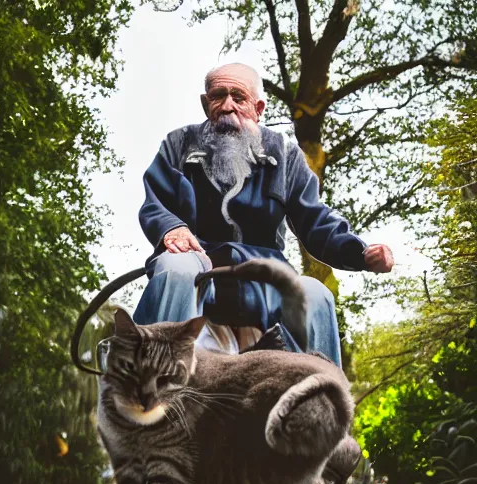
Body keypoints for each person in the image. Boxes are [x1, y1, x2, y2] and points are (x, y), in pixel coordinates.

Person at [133, 63, 394, 367]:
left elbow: (316, 220)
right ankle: (148, 377)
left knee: (316, 295)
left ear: (258, 108)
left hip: (263, 276)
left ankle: (322, 398)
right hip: (198, 263)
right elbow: (155, 204)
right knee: (175, 268)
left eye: (238, 98)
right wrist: (171, 229)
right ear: (206, 104)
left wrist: (361, 252)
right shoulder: (178, 144)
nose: (227, 106)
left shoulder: (286, 154)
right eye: (218, 96)